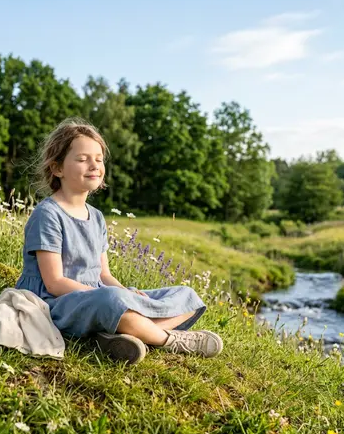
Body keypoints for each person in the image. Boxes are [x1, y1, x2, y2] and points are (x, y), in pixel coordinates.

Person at [15, 117, 223, 364]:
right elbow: (55, 283)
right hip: (59, 303)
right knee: (112, 301)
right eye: (82, 159)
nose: (94, 165)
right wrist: (118, 297)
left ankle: (120, 333)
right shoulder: (48, 214)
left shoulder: (97, 217)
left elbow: (104, 275)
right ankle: (169, 340)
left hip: (100, 295)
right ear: (57, 168)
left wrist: (128, 293)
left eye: (99, 159)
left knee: (186, 295)